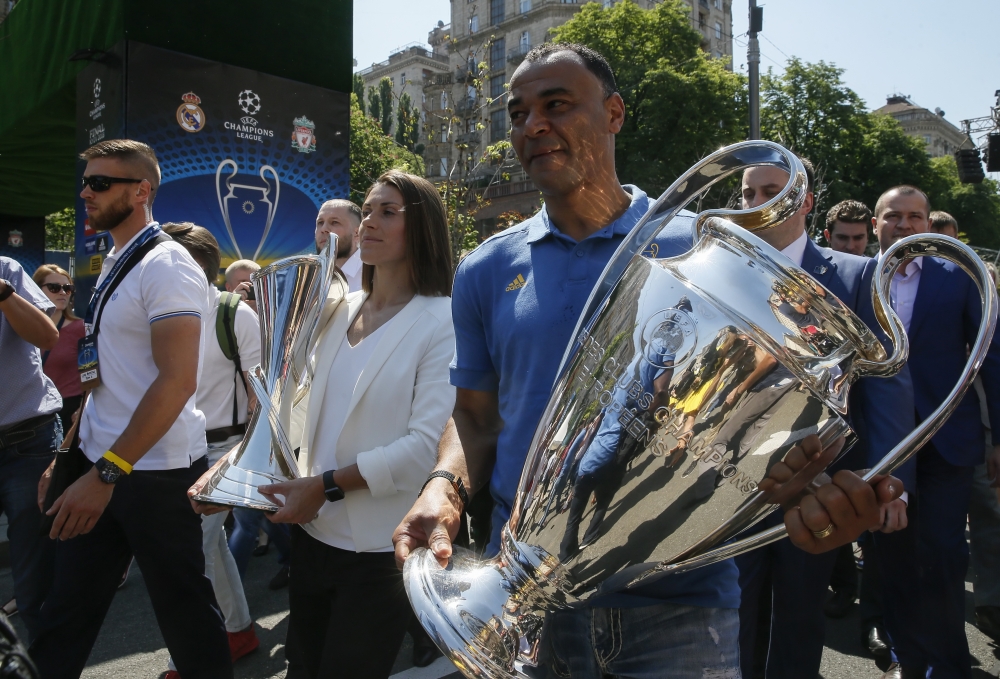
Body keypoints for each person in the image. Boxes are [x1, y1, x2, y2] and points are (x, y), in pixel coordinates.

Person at [392, 43, 906, 679]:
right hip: (517, 603)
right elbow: (473, 415)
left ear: (614, 113)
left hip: (680, 610)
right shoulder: (486, 269)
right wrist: (444, 485)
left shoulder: (707, 254)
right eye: (519, 113)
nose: (533, 126)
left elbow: (760, 428)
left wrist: (813, 500)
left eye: (556, 105)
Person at [191, 170, 456, 679]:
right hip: (313, 535)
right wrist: (232, 470)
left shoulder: (441, 319)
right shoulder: (338, 309)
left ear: (421, 228)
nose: (371, 222)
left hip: (380, 550)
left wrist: (325, 486)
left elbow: (422, 449)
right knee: (302, 668)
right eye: (369, 209)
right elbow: (290, 405)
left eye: (388, 212)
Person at [31, 139, 231, 679]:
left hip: (154, 477)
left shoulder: (168, 265)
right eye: (87, 181)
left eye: (100, 183)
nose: (85, 193)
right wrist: (68, 454)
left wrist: (105, 474)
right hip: (103, 462)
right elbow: (104, 381)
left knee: (185, 613)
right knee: (65, 611)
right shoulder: (119, 258)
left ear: (141, 191)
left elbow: (176, 382)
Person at [729, 160, 914, 679]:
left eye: (773, 190)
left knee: (797, 621)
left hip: (819, 487)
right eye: (748, 193)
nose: (757, 202)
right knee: (731, 623)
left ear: (806, 202)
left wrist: (891, 483)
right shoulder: (724, 269)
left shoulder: (856, 275)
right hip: (732, 487)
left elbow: (887, 388)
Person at [872, 186, 1000, 679]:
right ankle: (909, 656)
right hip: (882, 444)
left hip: (947, 441)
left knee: (944, 554)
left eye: (914, 216)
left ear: (927, 223)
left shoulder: (961, 277)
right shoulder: (857, 278)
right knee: (893, 555)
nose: (904, 225)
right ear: (878, 222)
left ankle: (947, 666)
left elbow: (991, 357)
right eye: (893, 216)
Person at [160, 222, 261, 676]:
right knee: (211, 546)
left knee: (190, 553)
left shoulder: (235, 314)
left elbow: (261, 395)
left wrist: (254, 456)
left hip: (229, 446)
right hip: (177, 447)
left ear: (194, 263)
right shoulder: (161, 310)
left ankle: (200, 659)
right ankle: (238, 632)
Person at [0, 257, 60, 642]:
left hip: (28, 441)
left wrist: (4, 292)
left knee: (35, 575)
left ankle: (46, 663)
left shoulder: (6, 270)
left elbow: (47, 337)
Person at [32, 264, 86, 432]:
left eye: (68, 288)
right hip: (30, 412)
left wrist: (84, 408)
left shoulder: (81, 329)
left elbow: (93, 374)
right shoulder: (20, 327)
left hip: (67, 412)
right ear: (37, 289)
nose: (63, 293)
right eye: (54, 287)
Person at [315, 198, 363, 291]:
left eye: (334, 222)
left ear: (357, 233)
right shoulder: (308, 278)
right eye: (320, 222)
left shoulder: (377, 275)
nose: (324, 229)